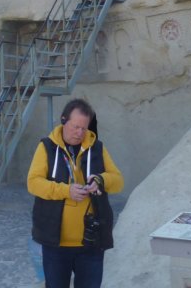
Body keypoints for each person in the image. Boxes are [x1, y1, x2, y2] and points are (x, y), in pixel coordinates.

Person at [27, 98, 124, 288]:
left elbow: (118, 181)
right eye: (75, 127)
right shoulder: (46, 147)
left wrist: (101, 180)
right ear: (63, 120)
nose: (80, 133)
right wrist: (66, 190)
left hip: (91, 243)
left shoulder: (97, 148)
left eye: (84, 128)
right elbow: (33, 183)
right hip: (55, 244)